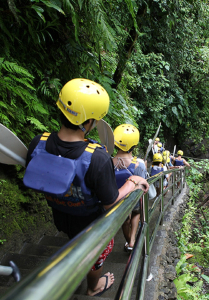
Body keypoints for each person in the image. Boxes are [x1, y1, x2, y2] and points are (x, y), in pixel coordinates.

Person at [23, 78, 149, 297]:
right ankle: (93, 287)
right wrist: (131, 183)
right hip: (91, 225)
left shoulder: (38, 143)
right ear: (89, 122)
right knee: (96, 254)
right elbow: (111, 201)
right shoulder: (97, 158)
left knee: (73, 239)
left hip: (60, 215)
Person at [112, 124, 147, 253]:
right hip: (134, 198)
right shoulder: (139, 164)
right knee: (136, 213)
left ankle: (128, 242)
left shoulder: (108, 162)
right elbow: (142, 185)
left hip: (118, 198)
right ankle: (132, 240)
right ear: (134, 144)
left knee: (124, 220)